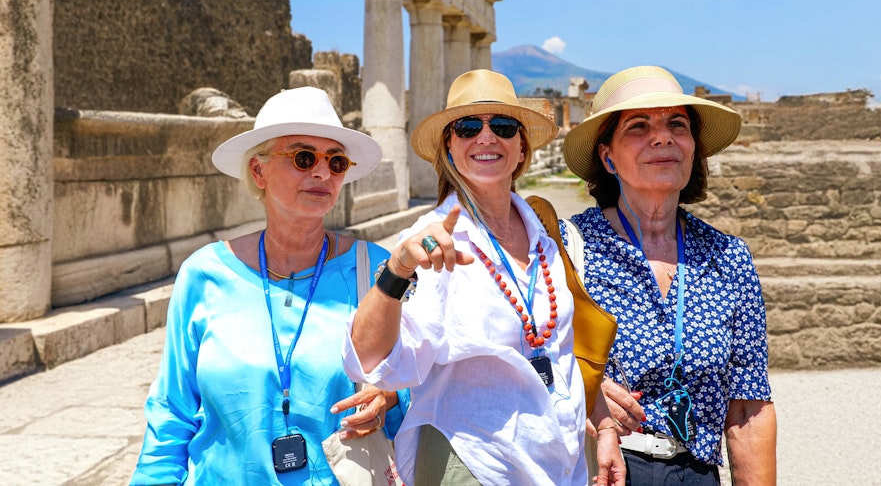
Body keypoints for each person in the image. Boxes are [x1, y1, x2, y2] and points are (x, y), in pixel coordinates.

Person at [342, 70, 626, 486]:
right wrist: (398, 270)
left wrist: (603, 426)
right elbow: (374, 363)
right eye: (469, 127)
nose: (487, 138)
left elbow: (561, 353)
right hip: (474, 463)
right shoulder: (430, 240)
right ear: (449, 147)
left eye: (505, 127)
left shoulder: (545, 237)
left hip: (555, 460)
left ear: (521, 147)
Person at [132, 86, 409, 485]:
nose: (321, 173)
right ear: (259, 171)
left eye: (336, 161)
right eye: (303, 157)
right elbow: (171, 411)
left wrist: (390, 397)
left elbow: (420, 384)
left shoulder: (377, 271)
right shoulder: (203, 274)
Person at [561, 66, 777, 486]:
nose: (662, 137)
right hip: (600, 468)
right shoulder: (567, 248)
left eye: (676, 124)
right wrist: (581, 389)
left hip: (696, 473)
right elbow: (519, 357)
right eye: (638, 127)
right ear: (607, 156)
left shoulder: (729, 258)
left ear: (693, 147)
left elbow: (748, 407)